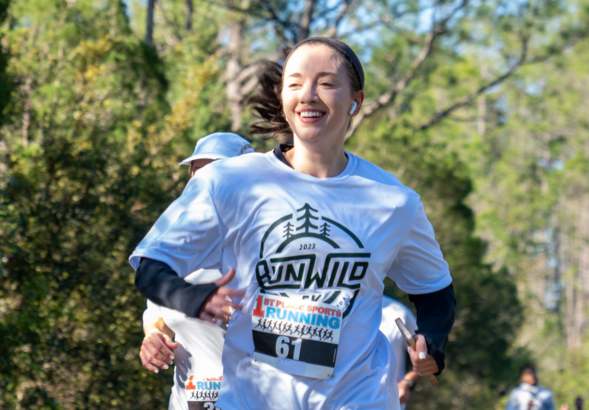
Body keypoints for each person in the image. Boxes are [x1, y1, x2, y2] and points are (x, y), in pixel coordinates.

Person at [131, 37, 457, 409]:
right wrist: (191, 297)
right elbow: (151, 265)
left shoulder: (394, 201)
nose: (309, 95)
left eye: (327, 83)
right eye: (296, 83)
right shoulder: (228, 183)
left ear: (357, 101)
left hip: (358, 399)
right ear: (284, 99)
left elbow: (435, 291)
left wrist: (431, 342)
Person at [136, 132, 254, 410]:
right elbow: (159, 319)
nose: (204, 182)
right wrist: (154, 339)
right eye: (197, 172)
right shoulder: (172, 252)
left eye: (216, 172)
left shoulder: (266, 247)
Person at [379, 295, 420, 409]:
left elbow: (424, 355)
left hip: (387, 404)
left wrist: (407, 383)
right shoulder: (330, 308)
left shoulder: (397, 312)